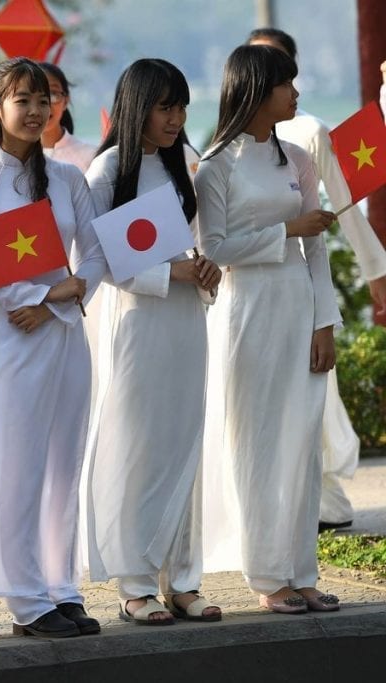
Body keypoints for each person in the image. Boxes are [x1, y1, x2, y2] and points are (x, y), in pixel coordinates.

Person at [0, 57, 106, 638]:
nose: (36, 110)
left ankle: (59, 584)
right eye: (24, 100)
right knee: (15, 465)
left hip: (65, 335)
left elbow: (92, 255)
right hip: (15, 340)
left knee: (62, 463)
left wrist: (56, 298)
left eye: (44, 100)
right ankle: (24, 597)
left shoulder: (70, 179)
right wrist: (43, 293)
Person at [196, 45, 341, 614]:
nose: (295, 94)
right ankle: (266, 575)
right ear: (256, 90)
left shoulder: (298, 157)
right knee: (255, 441)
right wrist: (286, 231)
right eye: (286, 85)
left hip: (297, 305)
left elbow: (317, 247)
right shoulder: (215, 165)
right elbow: (214, 250)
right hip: (245, 311)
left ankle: (303, 571)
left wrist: (324, 320)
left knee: (302, 442)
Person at [83, 59, 222, 626]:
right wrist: (171, 277)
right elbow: (100, 263)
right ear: (135, 106)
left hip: (187, 323)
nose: (176, 118)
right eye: (165, 106)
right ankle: (135, 582)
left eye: (181, 107)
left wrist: (201, 270)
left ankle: (183, 580)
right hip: (137, 323)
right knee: (137, 447)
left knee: (184, 442)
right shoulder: (105, 172)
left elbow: (183, 246)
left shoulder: (177, 166)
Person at [248, 27, 386, 531]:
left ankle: (318, 499)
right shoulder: (225, 138)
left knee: (310, 391)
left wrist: (377, 272)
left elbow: (347, 206)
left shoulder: (310, 132)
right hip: (245, 285)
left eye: (278, 68)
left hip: (298, 274)